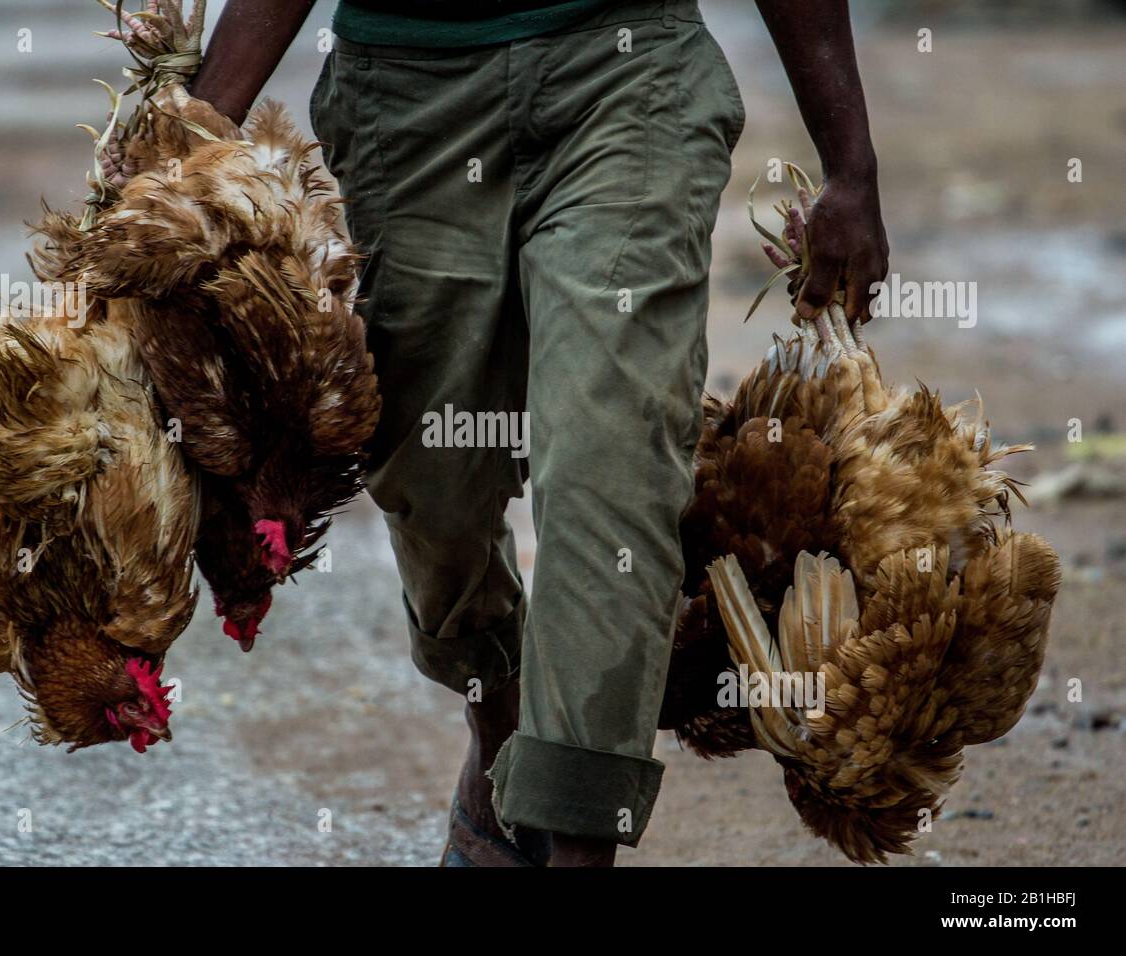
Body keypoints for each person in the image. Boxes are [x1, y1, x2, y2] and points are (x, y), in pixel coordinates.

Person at [188, 0, 888, 867]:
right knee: (427, 471)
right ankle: (500, 718)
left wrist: (850, 165)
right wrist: (192, 138)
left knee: (612, 458)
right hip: (406, 96)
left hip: (627, 73)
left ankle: (576, 835)